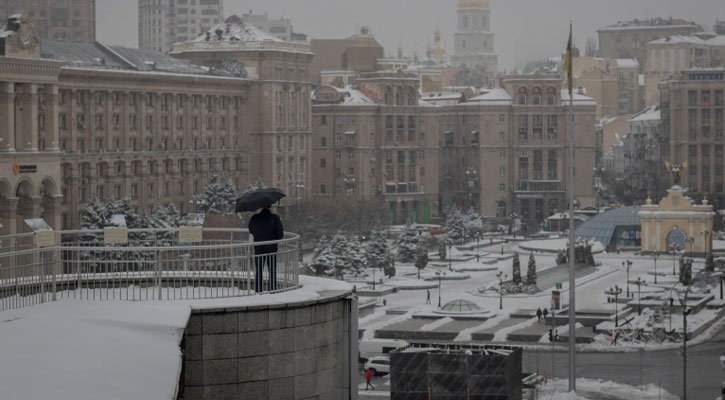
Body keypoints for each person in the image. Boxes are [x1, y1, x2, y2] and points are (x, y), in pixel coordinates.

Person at [248, 204, 284, 293]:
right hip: (272, 247)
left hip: (259, 247)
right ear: (270, 206)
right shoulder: (275, 218)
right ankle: (272, 290)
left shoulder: (255, 218)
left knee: (259, 270)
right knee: (272, 270)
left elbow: (251, 229)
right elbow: (280, 234)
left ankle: (258, 291)